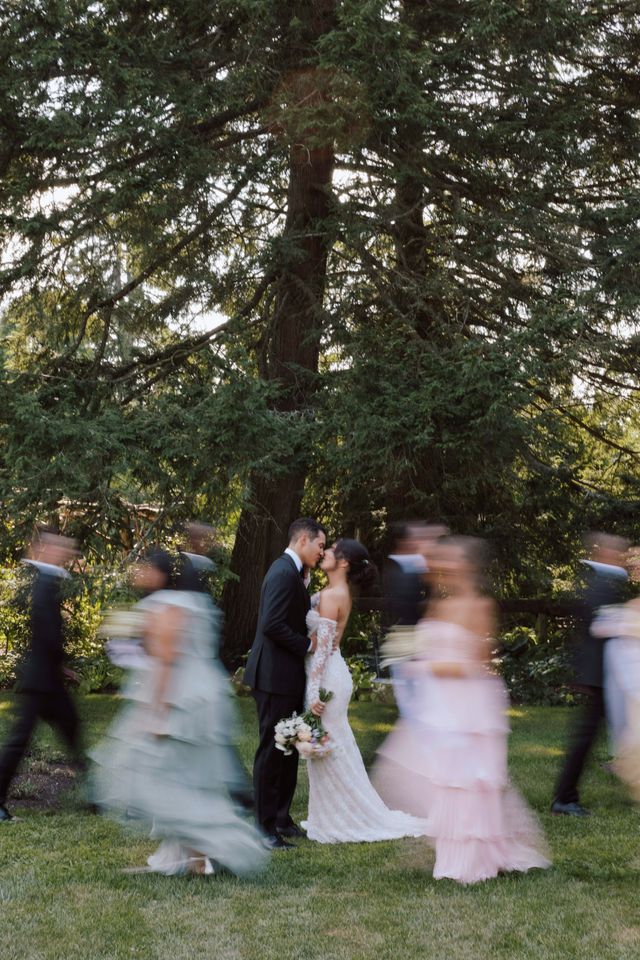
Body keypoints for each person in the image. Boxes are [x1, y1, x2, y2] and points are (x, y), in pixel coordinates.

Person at [375, 537, 549, 884]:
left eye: (452, 560)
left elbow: (476, 664)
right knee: (443, 779)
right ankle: (453, 851)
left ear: (468, 566)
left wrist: (426, 668)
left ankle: (477, 856)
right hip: (441, 703)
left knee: (469, 781)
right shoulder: (440, 603)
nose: (443, 566)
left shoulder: (480, 605)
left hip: (469, 705)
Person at [92, 549, 267, 876]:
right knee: (190, 780)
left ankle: (226, 845)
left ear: (159, 572)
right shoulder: (194, 605)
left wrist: (157, 712)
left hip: (183, 703)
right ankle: (197, 859)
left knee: (165, 781)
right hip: (205, 699)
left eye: (142, 568)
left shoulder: (167, 608)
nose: (138, 574)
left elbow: (167, 663)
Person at [301, 539, 427, 844]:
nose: (325, 552)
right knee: (335, 746)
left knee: (328, 748)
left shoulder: (333, 595)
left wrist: (314, 693)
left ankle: (341, 818)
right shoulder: (335, 592)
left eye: (330, 550)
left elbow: (324, 649)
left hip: (327, 677)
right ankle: (330, 814)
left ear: (343, 562)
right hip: (333, 672)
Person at [243, 518, 326, 849]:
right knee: (271, 750)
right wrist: (308, 645)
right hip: (273, 677)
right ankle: (263, 828)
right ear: (303, 539)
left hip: (286, 676)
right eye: (320, 545)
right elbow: (272, 624)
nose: (321, 553)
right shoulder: (281, 572)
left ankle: (281, 818)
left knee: (289, 747)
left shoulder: (295, 574)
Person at [0, 528, 82, 823]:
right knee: (20, 741)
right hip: (41, 681)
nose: (66, 553)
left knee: (72, 730)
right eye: (61, 547)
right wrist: (60, 665)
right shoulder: (45, 581)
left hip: (48, 679)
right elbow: (47, 633)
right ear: (46, 550)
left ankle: (95, 797)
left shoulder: (48, 580)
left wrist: (60, 668)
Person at [551, 532, 629, 817]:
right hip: (603, 674)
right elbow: (600, 626)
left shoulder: (604, 581)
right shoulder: (602, 583)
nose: (621, 555)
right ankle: (564, 798)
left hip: (606, 673)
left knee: (620, 731)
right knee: (586, 738)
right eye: (616, 550)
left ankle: (566, 795)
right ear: (603, 553)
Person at [382, 522, 447, 717]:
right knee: (412, 704)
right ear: (403, 542)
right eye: (415, 538)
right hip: (405, 642)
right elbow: (409, 605)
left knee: (424, 702)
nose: (420, 542)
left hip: (419, 640)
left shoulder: (417, 566)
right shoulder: (397, 568)